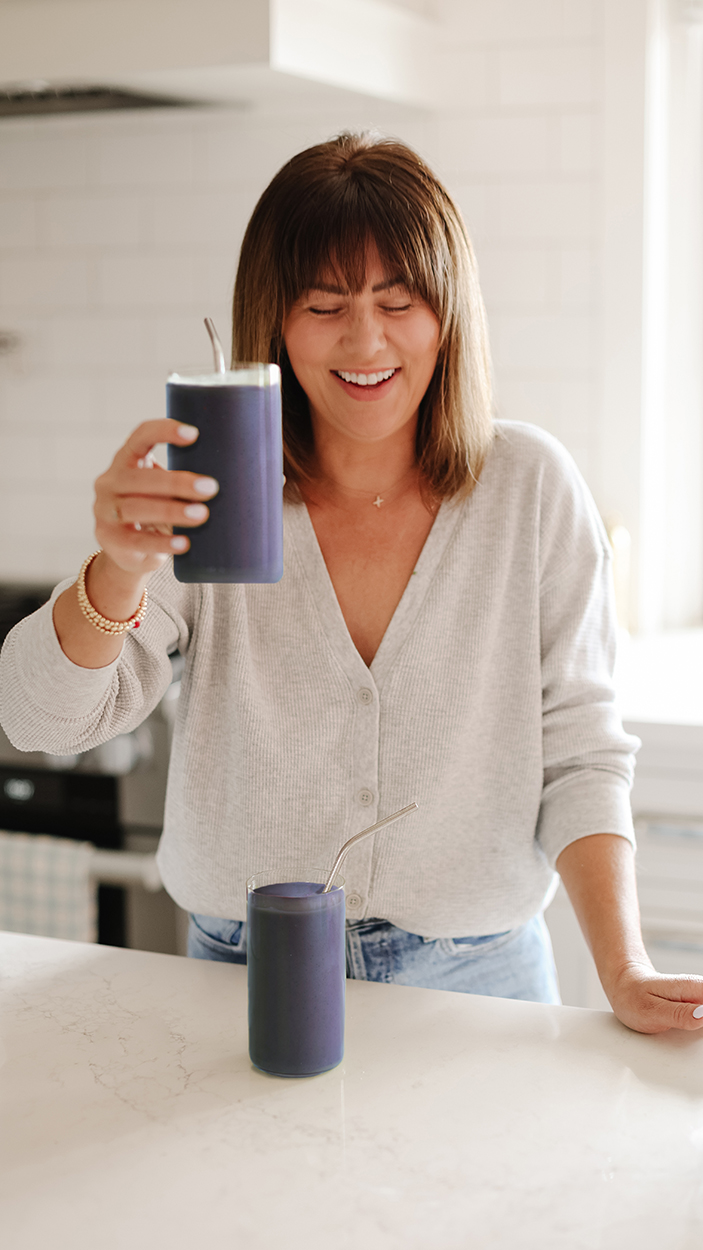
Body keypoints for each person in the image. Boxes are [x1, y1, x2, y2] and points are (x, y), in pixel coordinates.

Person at [1, 132, 702, 1034]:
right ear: (276, 322)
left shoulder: (528, 485)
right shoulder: (214, 485)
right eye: (325, 305)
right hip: (238, 983)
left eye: (397, 301)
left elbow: (580, 753)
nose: (365, 340)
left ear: (447, 314)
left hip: (476, 990)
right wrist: (121, 566)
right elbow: (39, 718)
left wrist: (623, 967)